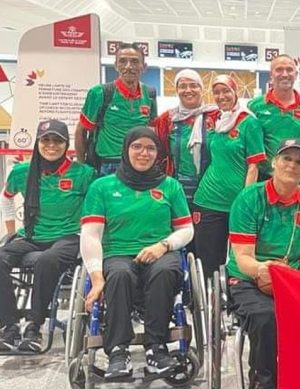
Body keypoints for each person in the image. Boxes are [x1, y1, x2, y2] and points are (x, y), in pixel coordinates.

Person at [227, 138, 300, 389]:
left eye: (299, 162)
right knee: (266, 317)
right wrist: (263, 270)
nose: (292, 166)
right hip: (248, 276)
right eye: (287, 159)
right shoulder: (249, 198)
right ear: (274, 162)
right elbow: (243, 257)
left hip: (293, 277)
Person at [80, 127, 194, 379]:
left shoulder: (170, 186)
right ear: (126, 150)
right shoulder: (102, 187)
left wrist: (163, 245)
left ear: (158, 153)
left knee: (164, 272)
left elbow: (187, 229)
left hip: (160, 251)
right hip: (118, 253)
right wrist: (96, 279)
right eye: (137, 147)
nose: (144, 153)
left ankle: (156, 348)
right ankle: (118, 351)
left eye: (151, 148)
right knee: (119, 275)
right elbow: (90, 235)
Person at [0, 120, 96, 352]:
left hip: (69, 236)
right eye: (45, 140)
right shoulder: (22, 171)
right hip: (32, 235)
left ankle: (35, 326)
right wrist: (10, 231)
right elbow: (7, 197)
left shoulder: (84, 173)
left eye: (57, 141)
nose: (51, 145)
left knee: (46, 260)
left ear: (66, 144)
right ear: (38, 142)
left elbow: (96, 208)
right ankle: (9, 324)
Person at [191, 75, 266, 277]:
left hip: (236, 203)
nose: (221, 96)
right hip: (207, 201)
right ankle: (209, 296)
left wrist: (246, 200)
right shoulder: (216, 121)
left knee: (239, 263)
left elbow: (254, 166)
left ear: (235, 92)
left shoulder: (249, 122)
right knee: (208, 263)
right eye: (216, 92)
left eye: (226, 91)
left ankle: (234, 295)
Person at [75, 43, 157, 175]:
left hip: (138, 163)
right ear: (116, 65)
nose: (128, 66)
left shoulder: (150, 94)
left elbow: (151, 129)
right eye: (123, 61)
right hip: (107, 165)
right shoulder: (99, 93)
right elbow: (81, 130)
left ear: (144, 67)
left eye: (134, 61)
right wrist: (82, 166)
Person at [248, 54, 300, 176]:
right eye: (279, 69)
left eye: (289, 70)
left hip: (297, 178)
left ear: (296, 75)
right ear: (271, 75)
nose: (285, 74)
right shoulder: (254, 106)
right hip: (263, 178)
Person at [153, 69, 218, 202]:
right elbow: (158, 155)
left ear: (201, 89)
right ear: (177, 90)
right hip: (176, 187)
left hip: (211, 188)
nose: (188, 90)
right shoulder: (167, 119)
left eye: (193, 85)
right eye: (182, 86)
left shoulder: (216, 116)